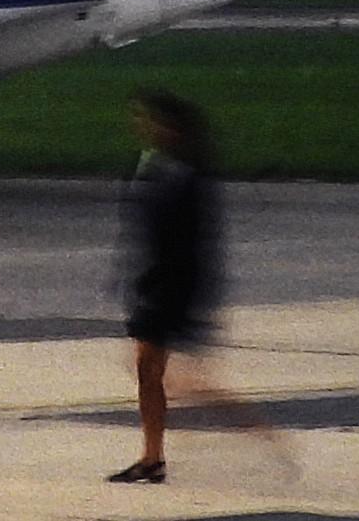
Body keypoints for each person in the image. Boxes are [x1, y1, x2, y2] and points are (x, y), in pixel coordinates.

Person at [107, 88, 224, 484]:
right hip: (155, 283)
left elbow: (195, 243)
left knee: (158, 372)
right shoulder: (154, 167)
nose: (142, 125)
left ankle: (258, 435)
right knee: (148, 371)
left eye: (150, 119)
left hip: (170, 286)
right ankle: (152, 455)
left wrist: (188, 298)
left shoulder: (185, 175)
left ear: (170, 127)